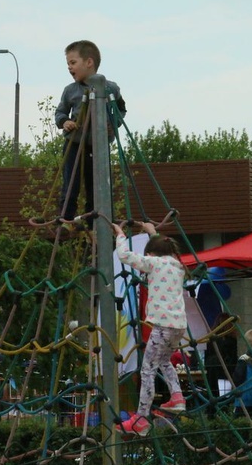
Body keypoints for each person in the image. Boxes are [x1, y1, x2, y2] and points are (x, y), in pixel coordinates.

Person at [113, 221, 187, 436]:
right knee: (163, 361)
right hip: (178, 326)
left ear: (153, 252)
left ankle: (142, 419)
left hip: (163, 326)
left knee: (147, 370)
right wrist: (152, 232)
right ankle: (177, 397)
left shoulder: (153, 263)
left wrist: (120, 235)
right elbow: (165, 248)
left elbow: (125, 256)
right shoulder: (177, 264)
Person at [55, 40, 126, 227]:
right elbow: (60, 112)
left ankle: (92, 221)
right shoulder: (70, 91)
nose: (69, 67)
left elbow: (121, 109)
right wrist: (65, 122)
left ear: (89, 62)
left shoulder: (110, 88)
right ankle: (66, 219)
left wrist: (114, 123)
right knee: (71, 181)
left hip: (99, 145)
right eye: (68, 64)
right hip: (75, 144)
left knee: (96, 185)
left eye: (72, 62)